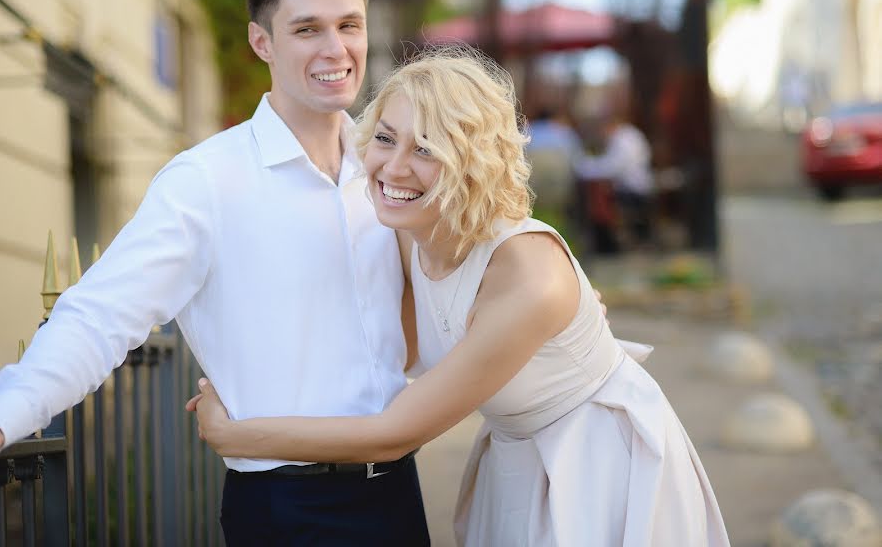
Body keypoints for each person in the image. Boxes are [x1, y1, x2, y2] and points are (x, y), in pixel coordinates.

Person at [189, 48, 731, 546]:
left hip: (596, 463)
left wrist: (235, 434)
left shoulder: (527, 277)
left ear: (472, 160)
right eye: (385, 137)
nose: (394, 167)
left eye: (426, 148)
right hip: (516, 455)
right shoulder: (406, 229)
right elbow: (384, 347)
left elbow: (392, 435)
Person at [0, 0, 432, 545]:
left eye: (349, 25)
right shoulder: (205, 182)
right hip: (286, 506)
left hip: (398, 493)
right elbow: (98, 317)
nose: (335, 49)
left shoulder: (387, 171)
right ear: (261, 41)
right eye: (306, 29)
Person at [576, 111, 655, 249]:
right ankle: (606, 240)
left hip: (633, 191)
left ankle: (606, 242)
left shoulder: (623, 140)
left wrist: (587, 166)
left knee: (597, 198)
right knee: (598, 193)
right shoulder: (629, 135)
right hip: (636, 188)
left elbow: (612, 168)